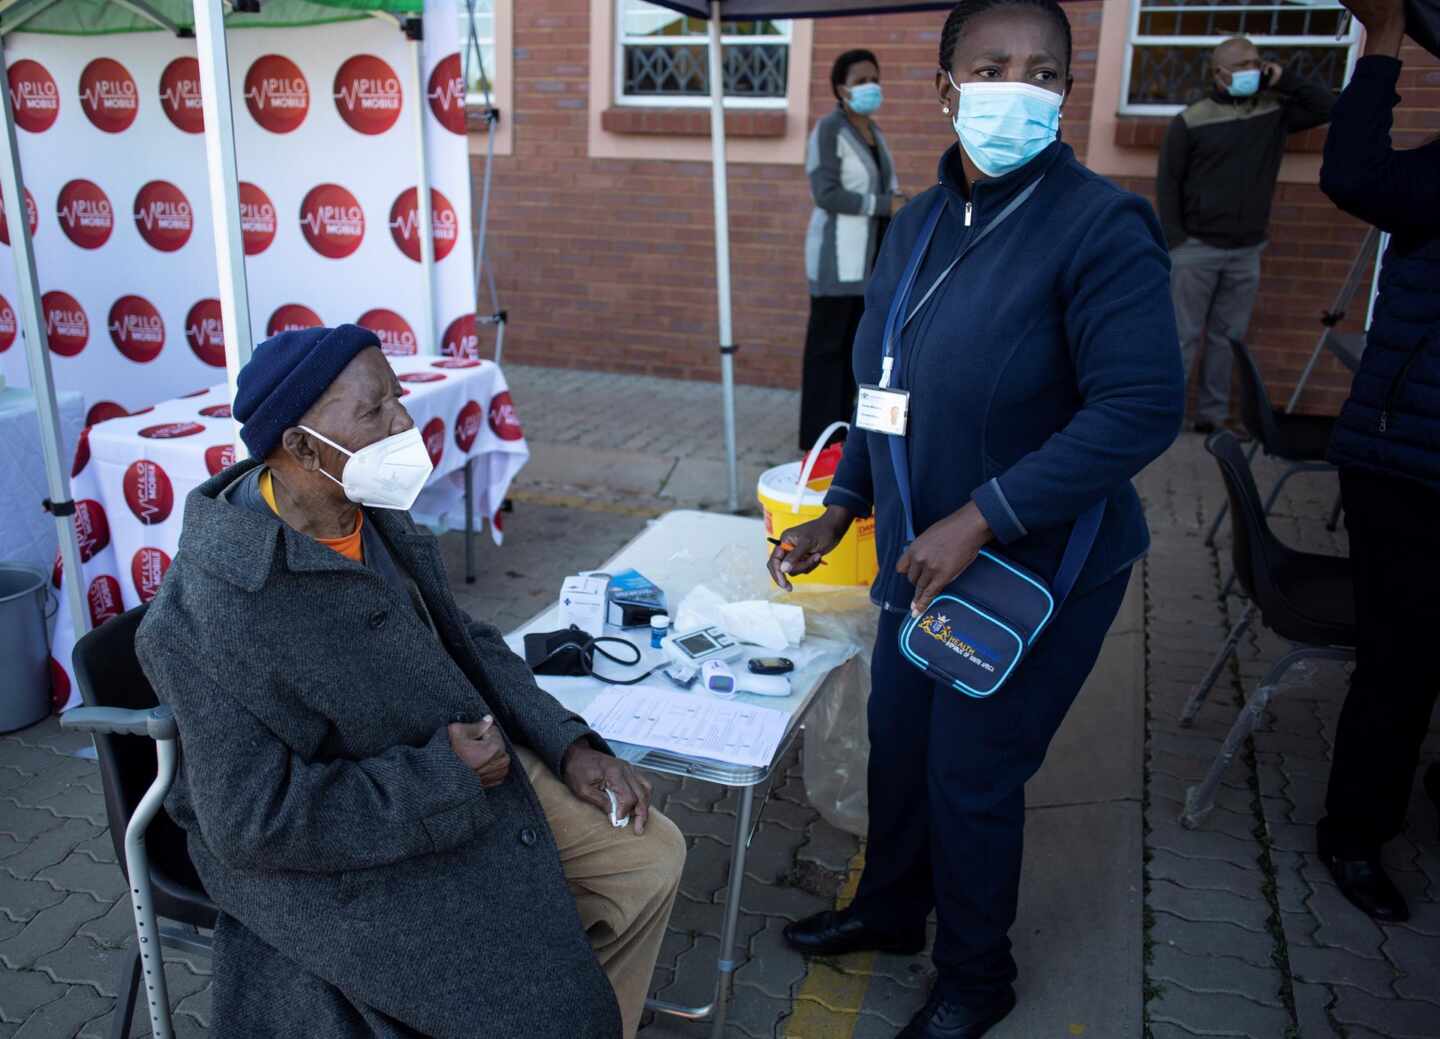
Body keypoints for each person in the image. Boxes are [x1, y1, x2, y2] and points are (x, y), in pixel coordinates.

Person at [768, 2, 1185, 1036]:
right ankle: (891, 910)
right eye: (993, 64)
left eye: (1044, 70)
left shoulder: (1099, 224)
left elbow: (1139, 406)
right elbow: (882, 382)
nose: (1020, 84)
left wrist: (984, 517)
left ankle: (975, 976)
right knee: (898, 740)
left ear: (1065, 94)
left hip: (1031, 570)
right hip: (915, 557)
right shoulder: (915, 225)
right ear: (946, 84)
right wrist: (844, 503)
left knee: (972, 771)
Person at [135, 325, 686, 1039]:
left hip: (462, 772)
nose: (404, 423)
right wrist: (441, 779)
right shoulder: (213, 610)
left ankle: (578, 1001)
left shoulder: (363, 511)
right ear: (301, 447)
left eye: (398, 398)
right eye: (375, 411)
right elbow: (250, 823)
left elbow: (468, 641)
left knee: (650, 856)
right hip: (358, 842)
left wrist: (568, 742)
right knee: (541, 994)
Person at [1314, 0, 1440, 923]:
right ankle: (1354, 833)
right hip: (1405, 461)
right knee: (1402, 661)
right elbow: (1353, 172)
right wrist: (1387, 42)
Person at [1157, 36, 1335, 433]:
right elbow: (1168, 182)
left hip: (1246, 249)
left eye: (1256, 63)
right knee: (1182, 337)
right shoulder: (1192, 119)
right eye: (1241, 66)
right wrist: (1177, 241)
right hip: (1195, 247)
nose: (1251, 71)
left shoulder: (1273, 112)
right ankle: (1164, 419)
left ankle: (1212, 417)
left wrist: (1284, 78)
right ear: (1218, 73)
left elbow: (1328, 107)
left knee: (1228, 338)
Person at [800, 48, 904, 449]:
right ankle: (816, 445)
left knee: (856, 355)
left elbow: (882, 189)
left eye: (874, 78)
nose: (870, 86)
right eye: (861, 80)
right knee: (826, 354)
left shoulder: (875, 133)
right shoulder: (829, 130)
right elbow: (825, 194)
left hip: (871, 264)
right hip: (836, 260)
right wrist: (883, 204)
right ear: (841, 88)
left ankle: (846, 443)